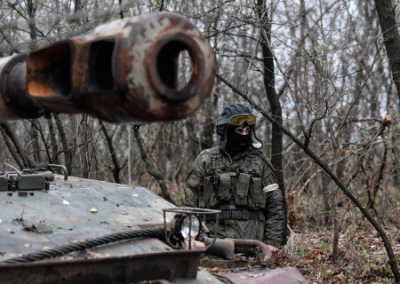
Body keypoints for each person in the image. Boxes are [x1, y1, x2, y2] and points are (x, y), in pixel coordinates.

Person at [184, 103, 285, 255]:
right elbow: (190, 199)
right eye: (239, 130)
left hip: (253, 244)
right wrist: (193, 235)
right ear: (227, 131)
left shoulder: (261, 162)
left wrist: (272, 242)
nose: (244, 134)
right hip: (213, 242)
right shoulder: (206, 159)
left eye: (247, 130)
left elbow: (275, 204)